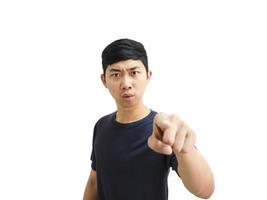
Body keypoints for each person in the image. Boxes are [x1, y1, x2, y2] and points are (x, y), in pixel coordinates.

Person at [83, 38, 215, 200]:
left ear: (148, 76)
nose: (126, 84)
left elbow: (205, 190)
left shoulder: (163, 130)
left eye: (134, 73)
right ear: (104, 80)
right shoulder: (101, 125)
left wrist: (184, 151)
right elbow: (94, 181)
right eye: (116, 74)